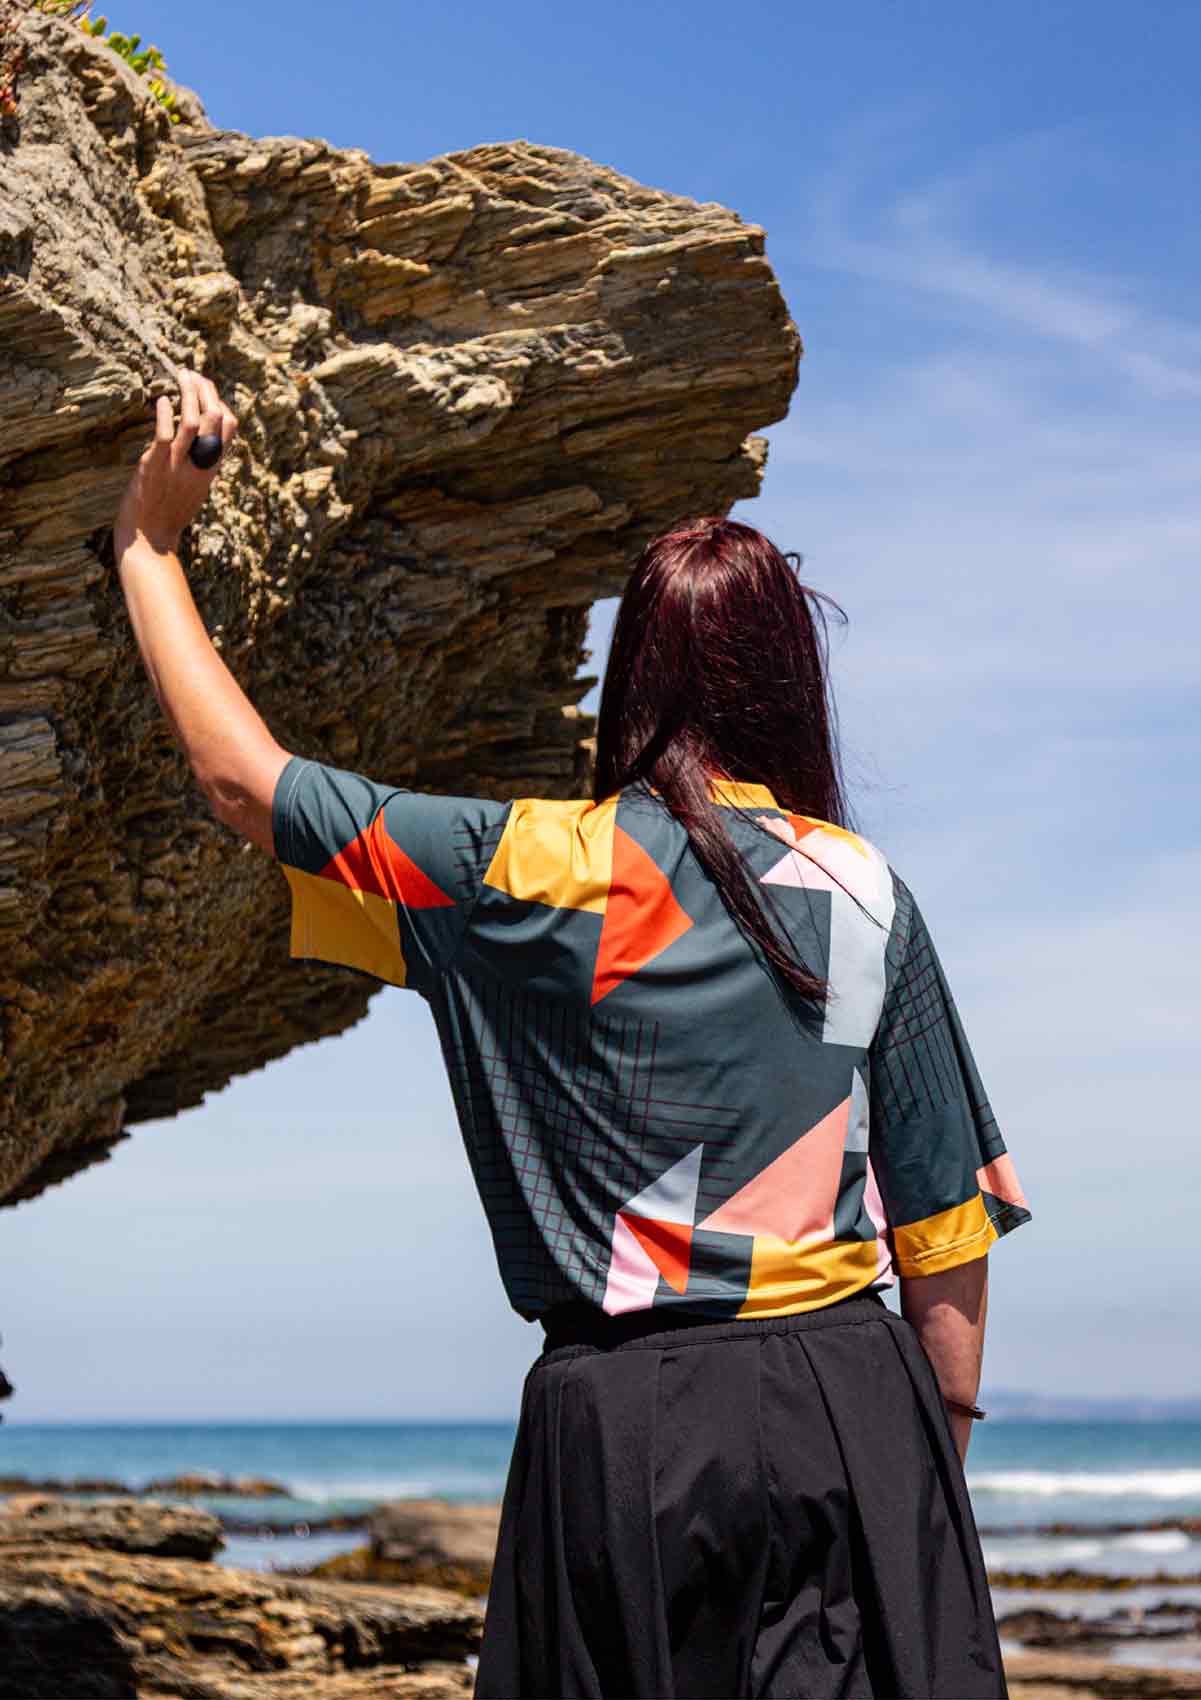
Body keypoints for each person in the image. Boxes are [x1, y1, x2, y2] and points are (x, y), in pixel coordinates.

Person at [113, 371, 1032, 1700]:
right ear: (789, 677)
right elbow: (942, 1229)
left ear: (631, 677)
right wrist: (923, 1462)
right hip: (850, 1397)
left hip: (620, 1424)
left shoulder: (530, 866)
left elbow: (243, 782)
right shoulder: (861, 892)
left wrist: (148, 547)